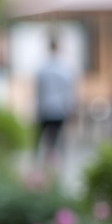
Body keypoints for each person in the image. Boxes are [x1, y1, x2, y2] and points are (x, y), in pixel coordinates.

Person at [34, 37, 76, 166]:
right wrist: (70, 108)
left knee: (43, 139)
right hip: (60, 109)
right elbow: (69, 91)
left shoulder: (43, 68)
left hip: (46, 108)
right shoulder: (64, 68)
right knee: (59, 139)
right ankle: (58, 164)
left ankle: (43, 163)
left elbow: (39, 90)